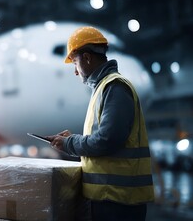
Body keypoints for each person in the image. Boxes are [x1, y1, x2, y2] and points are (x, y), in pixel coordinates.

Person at [45, 26, 154, 221]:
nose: (76, 72)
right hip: (109, 198)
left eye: (75, 63)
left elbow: (107, 140)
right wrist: (73, 139)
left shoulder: (114, 87)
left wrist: (70, 144)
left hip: (118, 203)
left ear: (87, 58)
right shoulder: (104, 88)